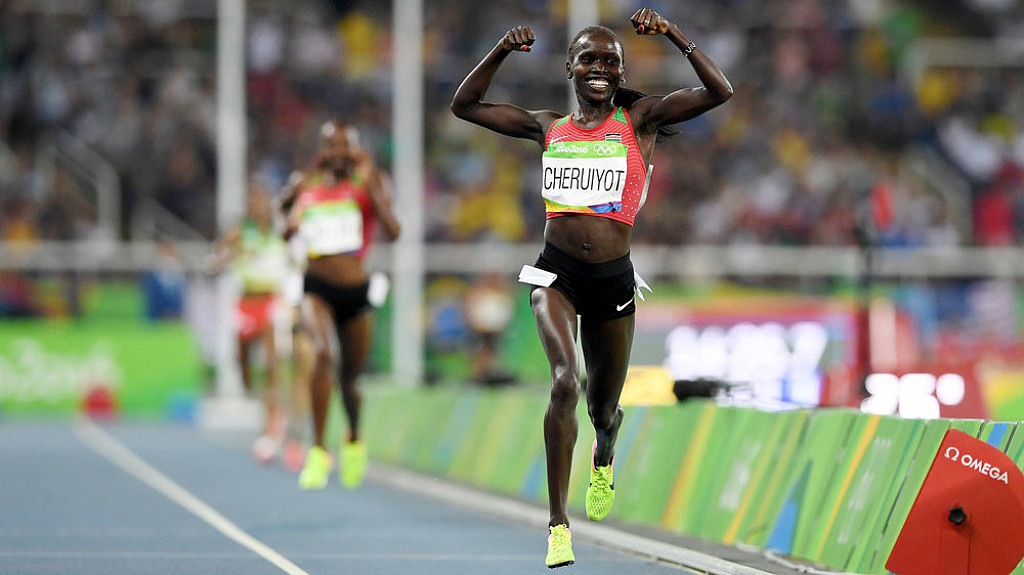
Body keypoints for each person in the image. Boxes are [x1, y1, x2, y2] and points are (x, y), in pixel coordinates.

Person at [451, 8, 732, 568]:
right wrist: (502, 49)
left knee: (603, 408)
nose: (599, 67)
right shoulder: (547, 126)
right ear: (570, 69)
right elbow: (466, 105)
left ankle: (605, 448)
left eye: (609, 61)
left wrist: (673, 34)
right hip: (554, 274)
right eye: (588, 59)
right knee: (564, 383)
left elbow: (718, 91)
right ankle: (558, 525)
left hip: (612, 282)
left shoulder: (640, 120)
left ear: (621, 71)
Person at [284, 120, 402, 490]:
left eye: (343, 145)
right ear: (321, 151)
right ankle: (318, 450)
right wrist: (290, 205)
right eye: (330, 145)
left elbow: (394, 232)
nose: (337, 152)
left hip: (355, 290)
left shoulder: (367, 184)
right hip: (315, 287)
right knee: (322, 353)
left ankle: (353, 436)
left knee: (350, 379)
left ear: (355, 150)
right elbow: (286, 230)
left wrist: (372, 188)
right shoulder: (308, 186)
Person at [210, 181, 291, 463]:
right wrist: (230, 255)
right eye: (253, 202)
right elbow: (214, 263)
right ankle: (251, 390)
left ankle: (271, 426)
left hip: (271, 302)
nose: (258, 207)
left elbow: (295, 260)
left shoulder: (281, 233)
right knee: (243, 364)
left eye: (262, 202)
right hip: (246, 304)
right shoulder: (239, 233)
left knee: (271, 365)